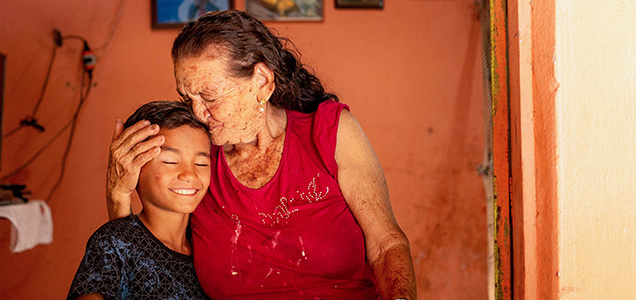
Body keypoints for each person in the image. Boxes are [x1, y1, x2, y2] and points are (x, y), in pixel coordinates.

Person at [106, 10, 417, 300]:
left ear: (262, 82)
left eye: (210, 96)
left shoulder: (330, 131)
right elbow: (146, 266)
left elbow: (386, 244)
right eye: (188, 98)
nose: (199, 113)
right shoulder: (198, 161)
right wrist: (119, 195)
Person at [68, 101, 211, 300]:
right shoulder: (112, 242)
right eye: (170, 161)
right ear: (134, 167)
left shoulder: (209, 248)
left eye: (201, 163)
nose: (189, 174)